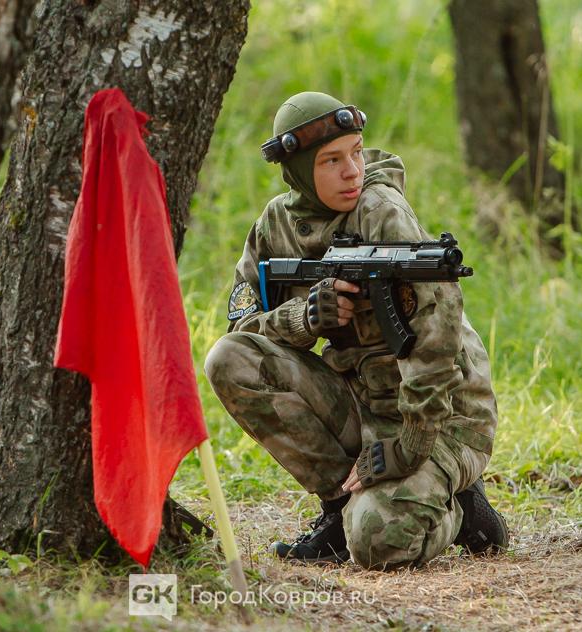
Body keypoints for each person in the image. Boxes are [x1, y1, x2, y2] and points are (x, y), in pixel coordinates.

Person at [204, 91, 508, 570]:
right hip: (360, 401)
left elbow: (438, 331)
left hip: (441, 416)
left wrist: (411, 447)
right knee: (229, 357)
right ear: (298, 170)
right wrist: (305, 316)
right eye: (331, 160)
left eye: (357, 152)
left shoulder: (380, 210)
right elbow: (242, 323)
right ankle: (338, 505)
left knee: (379, 546)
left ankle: (463, 507)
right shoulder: (274, 226)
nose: (352, 171)